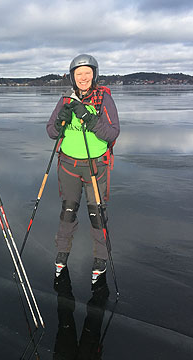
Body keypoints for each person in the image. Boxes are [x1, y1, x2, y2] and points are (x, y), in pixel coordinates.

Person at [46, 54, 120, 285]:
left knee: (96, 213)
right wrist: (60, 121)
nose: (83, 77)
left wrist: (90, 118)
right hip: (68, 166)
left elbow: (112, 133)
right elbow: (50, 131)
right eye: (79, 74)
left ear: (94, 75)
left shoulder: (104, 99)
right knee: (68, 210)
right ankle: (62, 253)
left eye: (88, 73)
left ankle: (100, 258)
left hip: (95, 166)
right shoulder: (65, 100)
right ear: (72, 77)